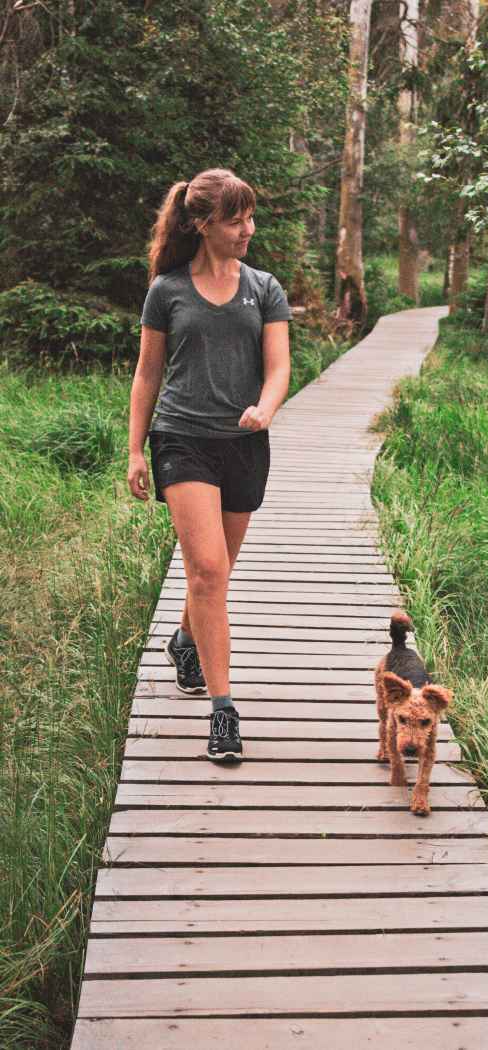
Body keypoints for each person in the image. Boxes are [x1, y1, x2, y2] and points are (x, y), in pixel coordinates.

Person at [127, 167, 292, 762]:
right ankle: (224, 714)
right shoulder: (167, 290)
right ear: (202, 225)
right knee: (208, 570)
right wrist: (135, 448)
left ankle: (183, 637)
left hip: (245, 443)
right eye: (236, 219)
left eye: (250, 216)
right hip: (183, 439)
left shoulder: (264, 288)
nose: (248, 228)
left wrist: (266, 408)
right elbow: (148, 374)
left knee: (214, 572)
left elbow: (277, 368)